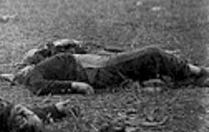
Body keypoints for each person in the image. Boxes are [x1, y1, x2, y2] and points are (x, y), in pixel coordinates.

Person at [12, 45, 209, 95]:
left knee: (143, 61)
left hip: (96, 63)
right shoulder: (33, 75)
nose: (22, 69)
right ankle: (199, 72)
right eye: (20, 72)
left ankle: (189, 77)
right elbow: (40, 87)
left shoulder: (38, 66)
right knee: (152, 53)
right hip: (95, 69)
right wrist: (75, 86)